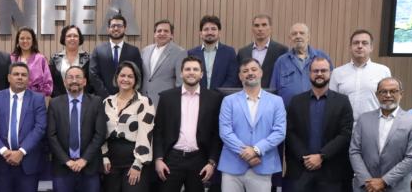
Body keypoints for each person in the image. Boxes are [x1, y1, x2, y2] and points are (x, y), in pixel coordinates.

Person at [152, 56, 223, 192]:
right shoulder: (167, 97)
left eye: (195, 69)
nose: (191, 72)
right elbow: (159, 130)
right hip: (171, 159)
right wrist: (158, 159)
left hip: (199, 160)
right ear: (181, 73)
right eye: (188, 69)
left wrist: (212, 162)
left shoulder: (214, 98)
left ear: (201, 74)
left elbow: (215, 133)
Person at [283, 58, 354, 192]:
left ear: (330, 73)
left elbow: (345, 134)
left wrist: (322, 156)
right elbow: (289, 132)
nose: (319, 74)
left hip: (331, 170)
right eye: (315, 70)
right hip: (301, 169)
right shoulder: (296, 101)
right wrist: (306, 158)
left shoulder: (342, 101)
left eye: (323, 70)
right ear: (309, 74)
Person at [217, 58, 287, 191]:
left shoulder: (277, 101)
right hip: (232, 166)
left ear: (261, 72)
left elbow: (279, 132)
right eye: (245, 71)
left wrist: (255, 150)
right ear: (240, 76)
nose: (250, 73)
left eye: (254, 69)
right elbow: (225, 132)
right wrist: (246, 154)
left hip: (263, 165)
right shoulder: (228, 101)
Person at [348, 77, 412, 192]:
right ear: (377, 95)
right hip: (365, 187)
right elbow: (354, 151)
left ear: (401, 94)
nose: (388, 95)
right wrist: (368, 181)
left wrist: (384, 181)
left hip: (396, 187)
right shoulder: (364, 119)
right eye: (383, 92)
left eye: (393, 91)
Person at [0, 62, 48, 192]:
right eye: (16, 74)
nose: (20, 77)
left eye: (24, 75)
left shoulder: (38, 99)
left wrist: (21, 152)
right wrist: (4, 151)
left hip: (28, 163)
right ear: (9, 77)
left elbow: (40, 128)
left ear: (28, 78)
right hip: (2, 162)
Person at [46, 66, 106, 192]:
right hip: (63, 167)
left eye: (78, 77)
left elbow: (100, 134)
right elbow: (51, 136)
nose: (74, 80)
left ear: (84, 81)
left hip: (89, 166)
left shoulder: (96, 102)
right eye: (70, 77)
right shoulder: (54, 103)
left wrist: (84, 160)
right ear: (64, 82)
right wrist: (67, 161)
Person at [101, 61, 156, 192]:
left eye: (130, 76)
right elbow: (101, 132)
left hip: (134, 159)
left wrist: (138, 164)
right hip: (111, 161)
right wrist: (104, 156)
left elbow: (146, 135)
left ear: (136, 79)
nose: (126, 79)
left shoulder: (144, 102)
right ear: (117, 78)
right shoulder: (107, 102)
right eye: (122, 75)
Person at [331, 29, 392, 121]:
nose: (360, 46)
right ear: (350, 47)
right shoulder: (337, 72)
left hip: (373, 125)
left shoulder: (383, 71)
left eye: (364, 43)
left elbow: (388, 101)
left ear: (371, 48)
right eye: (356, 43)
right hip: (344, 126)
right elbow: (331, 102)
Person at [270, 23, 331, 106]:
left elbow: (331, 85)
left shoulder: (322, 57)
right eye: (294, 34)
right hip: (288, 114)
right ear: (290, 38)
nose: (298, 36)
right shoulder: (281, 61)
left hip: (317, 110)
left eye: (302, 33)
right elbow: (273, 91)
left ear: (308, 37)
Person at [89, 15, 144, 98]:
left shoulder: (134, 51)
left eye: (119, 26)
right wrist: (107, 95)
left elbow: (138, 75)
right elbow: (93, 75)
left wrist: (128, 95)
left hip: (127, 99)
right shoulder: (98, 50)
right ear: (108, 29)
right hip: (102, 99)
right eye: (113, 26)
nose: (116, 28)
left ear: (125, 29)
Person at [140, 19, 187, 105]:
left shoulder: (180, 52)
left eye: (166, 31)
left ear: (171, 34)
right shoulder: (145, 50)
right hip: (144, 101)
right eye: (159, 31)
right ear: (154, 34)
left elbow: (181, 82)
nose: (162, 33)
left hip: (166, 102)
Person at [187, 15, 240, 91]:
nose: (210, 32)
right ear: (200, 33)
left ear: (219, 32)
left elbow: (232, 79)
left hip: (221, 98)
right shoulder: (191, 53)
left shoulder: (229, 52)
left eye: (213, 29)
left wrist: (217, 95)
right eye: (206, 29)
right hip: (197, 97)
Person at [237, 14, 289, 89]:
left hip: (272, 95)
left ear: (271, 28)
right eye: (257, 25)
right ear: (252, 29)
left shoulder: (281, 50)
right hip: (248, 95)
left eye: (264, 25)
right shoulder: (243, 52)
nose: (260, 29)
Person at [10, 26, 53, 97]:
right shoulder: (11, 58)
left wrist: (39, 97)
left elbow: (48, 83)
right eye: (22, 38)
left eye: (28, 38)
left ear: (33, 41)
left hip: (36, 98)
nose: (25, 41)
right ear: (18, 41)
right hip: (15, 98)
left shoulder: (40, 58)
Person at [49, 25, 90, 98]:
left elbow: (90, 83)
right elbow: (52, 82)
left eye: (75, 36)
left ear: (79, 39)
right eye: (69, 36)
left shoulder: (88, 58)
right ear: (64, 39)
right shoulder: (54, 59)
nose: (72, 38)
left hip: (83, 101)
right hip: (60, 101)